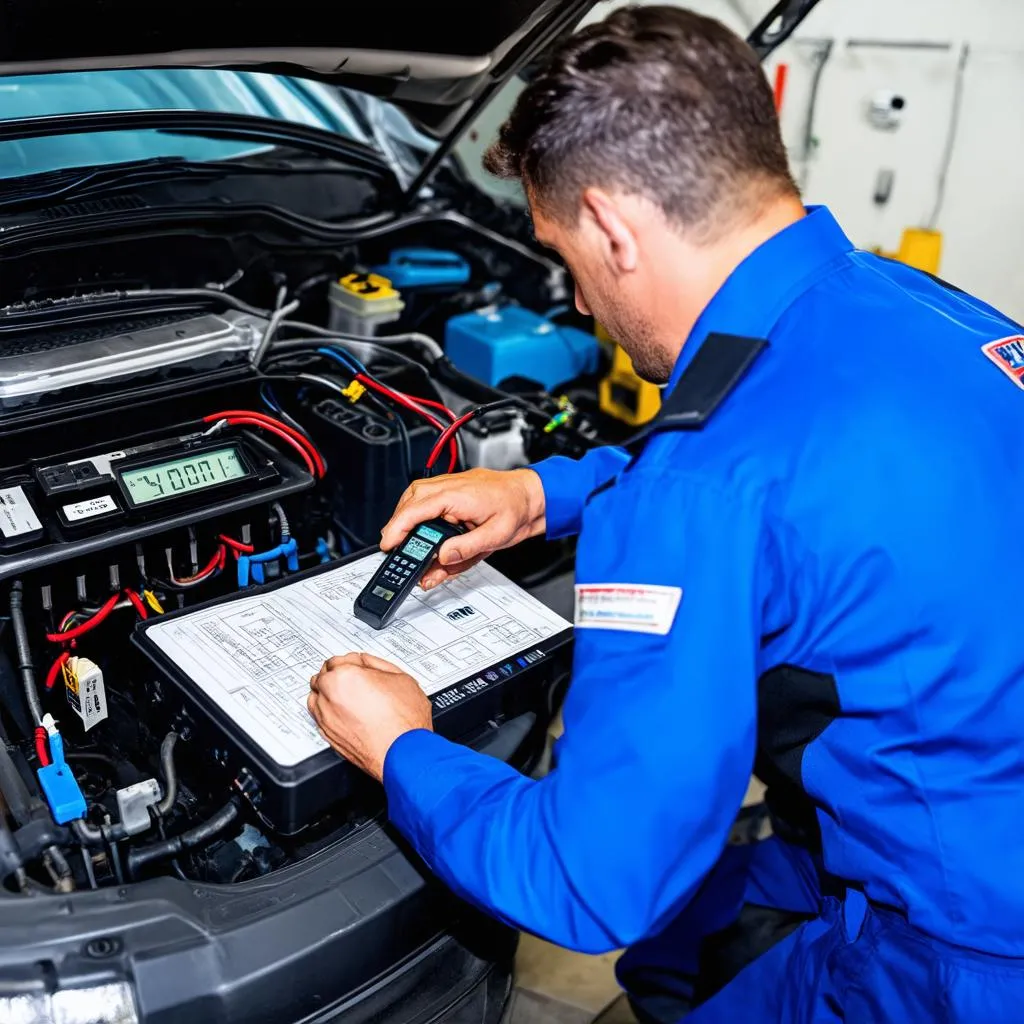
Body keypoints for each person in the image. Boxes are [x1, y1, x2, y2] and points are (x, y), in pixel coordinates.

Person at [306, 7, 1024, 1021]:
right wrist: (541, 491)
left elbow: (590, 879)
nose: (584, 305)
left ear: (609, 227)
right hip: (981, 810)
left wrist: (402, 747)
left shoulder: (692, 495)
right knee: (684, 943)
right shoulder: (928, 311)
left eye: (565, 257)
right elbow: (781, 462)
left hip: (962, 958)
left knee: (650, 939)